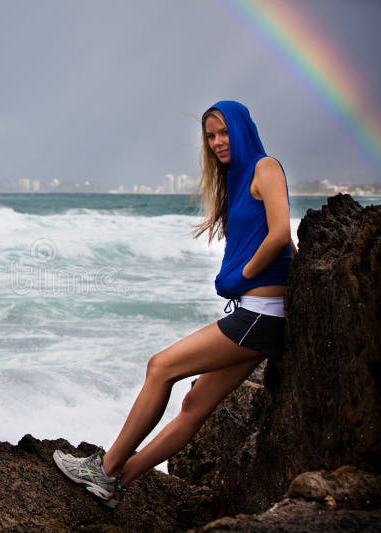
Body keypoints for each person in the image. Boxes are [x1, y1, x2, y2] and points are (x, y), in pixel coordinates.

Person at [53, 100, 295, 507]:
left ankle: (106, 468)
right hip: (260, 316)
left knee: (161, 367)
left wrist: (244, 275)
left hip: (261, 315)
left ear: (241, 128)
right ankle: (120, 480)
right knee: (194, 405)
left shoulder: (264, 167)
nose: (218, 142)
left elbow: (281, 233)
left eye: (223, 132)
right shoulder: (236, 178)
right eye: (210, 136)